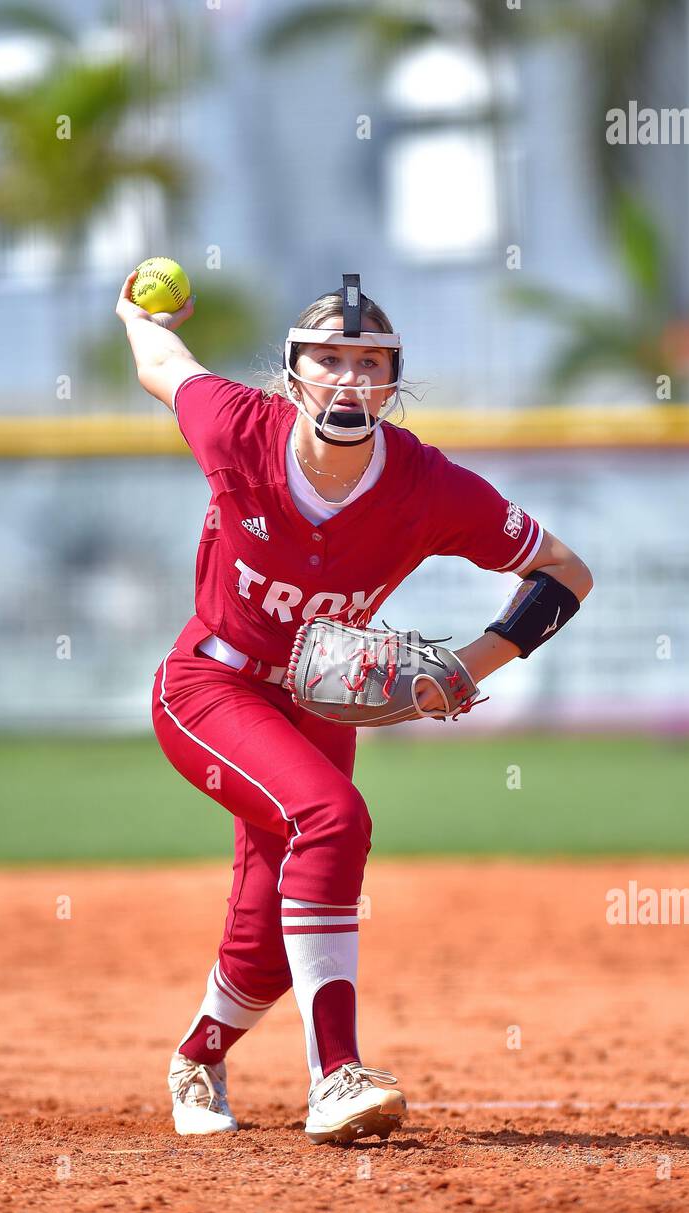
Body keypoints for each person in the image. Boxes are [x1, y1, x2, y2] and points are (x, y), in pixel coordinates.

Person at [116, 270, 593, 1144]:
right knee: (334, 820)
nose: (348, 377)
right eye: (327, 359)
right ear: (291, 375)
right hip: (212, 684)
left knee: (266, 936)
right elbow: (163, 362)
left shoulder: (427, 486)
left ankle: (199, 1053)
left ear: (393, 382)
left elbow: (566, 572)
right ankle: (336, 1074)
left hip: (318, 703)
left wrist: (466, 663)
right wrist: (137, 317)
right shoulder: (236, 426)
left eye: (368, 361)